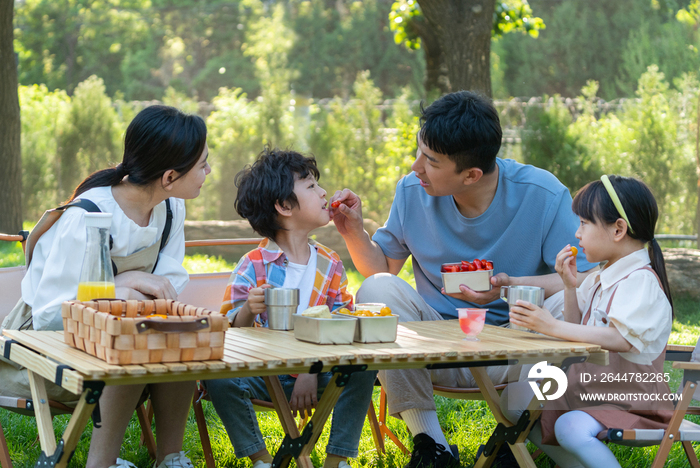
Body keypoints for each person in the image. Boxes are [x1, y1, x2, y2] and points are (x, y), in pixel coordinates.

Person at [328, 90, 597, 468]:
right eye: (420, 151)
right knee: (375, 291)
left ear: (471, 175)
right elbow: (382, 269)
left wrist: (510, 285)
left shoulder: (542, 194)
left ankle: (516, 433)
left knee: (572, 302)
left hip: (517, 349)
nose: (416, 166)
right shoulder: (411, 191)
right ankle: (431, 445)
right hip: (433, 344)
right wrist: (353, 231)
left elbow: (585, 276)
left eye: (431, 161)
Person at [0, 105, 210, 468]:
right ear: (170, 176)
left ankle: (171, 458)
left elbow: (168, 280)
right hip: (36, 351)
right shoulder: (85, 217)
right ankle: (102, 463)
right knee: (130, 343)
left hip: (115, 335)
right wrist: (119, 285)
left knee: (175, 340)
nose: (209, 171)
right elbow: (51, 314)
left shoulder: (171, 207)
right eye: (203, 164)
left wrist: (130, 297)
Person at [204, 148, 377, 468]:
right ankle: (261, 458)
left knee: (364, 368)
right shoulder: (253, 265)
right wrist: (248, 310)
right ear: (284, 206)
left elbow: (343, 325)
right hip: (263, 374)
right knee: (217, 378)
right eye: (310, 186)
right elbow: (229, 334)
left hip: (322, 373)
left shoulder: (330, 262)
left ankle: (337, 458)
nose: (323, 191)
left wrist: (311, 370)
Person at [502, 175, 674, 468]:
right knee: (512, 399)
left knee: (570, 426)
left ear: (618, 229)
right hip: (592, 389)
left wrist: (550, 325)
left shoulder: (639, 281)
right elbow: (579, 329)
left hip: (630, 396)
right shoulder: (599, 277)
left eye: (584, 223)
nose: (577, 233)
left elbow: (621, 339)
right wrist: (569, 286)